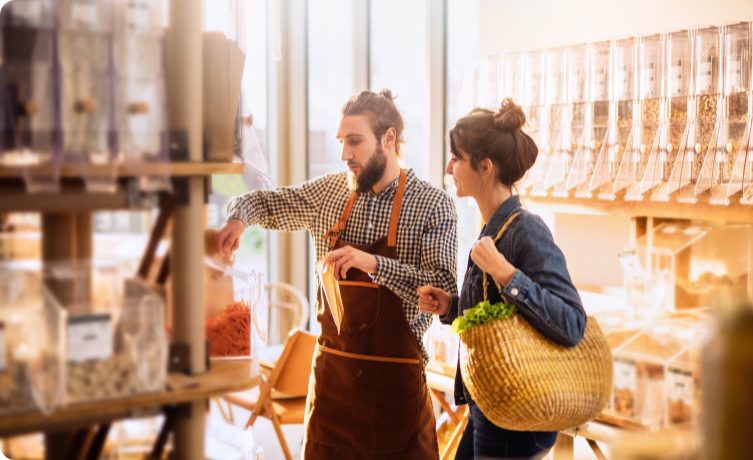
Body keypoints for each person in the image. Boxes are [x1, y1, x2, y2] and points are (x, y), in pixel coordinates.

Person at [215, 89, 458, 459]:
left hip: (396, 400)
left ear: (389, 138)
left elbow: (442, 291)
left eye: (355, 142)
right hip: (333, 396)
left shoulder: (432, 204)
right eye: (342, 142)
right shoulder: (330, 193)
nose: (345, 154)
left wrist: (374, 264)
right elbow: (263, 201)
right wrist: (238, 216)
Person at [417, 98, 587, 460]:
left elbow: (572, 322)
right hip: (491, 407)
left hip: (517, 419)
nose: (449, 167)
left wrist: (505, 273)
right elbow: (502, 316)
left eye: (456, 158)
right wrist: (452, 307)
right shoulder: (492, 229)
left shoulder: (526, 229)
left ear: (485, 167)